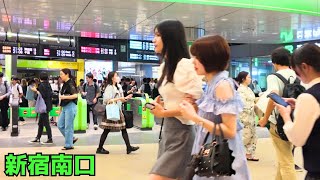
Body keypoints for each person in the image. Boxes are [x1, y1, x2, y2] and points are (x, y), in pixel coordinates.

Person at [179, 35, 250, 180]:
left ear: (209, 58)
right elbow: (214, 116)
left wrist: (194, 117)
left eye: (197, 57)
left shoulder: (222, 85)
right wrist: (195, 109)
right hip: (212, 153)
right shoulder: (212, 83)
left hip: (222, 157)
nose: (193, 61)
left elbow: (229, 131)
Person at [149, 20, 203, 180]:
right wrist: (162, 106)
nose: (154, 40)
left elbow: (192, 108)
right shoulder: (164, 66)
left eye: (158, 35)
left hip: (182, 134)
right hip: (167, 132)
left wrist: (163, 112)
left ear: (170, 38)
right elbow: (178, 100)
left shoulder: (186, 65)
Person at [275, 44, 320, 180]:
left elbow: (297, 138)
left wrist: (286, 116)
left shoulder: (309, 97)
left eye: (296, 71)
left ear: (305, 67)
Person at [258, 47, 298, 179]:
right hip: (294, 120)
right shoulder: (296, 74)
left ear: (274, 62)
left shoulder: (273, 77)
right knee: (284, 156)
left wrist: (264, 118)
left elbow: (273, 94)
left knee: (286, 161)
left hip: (279, 122)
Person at [97, 71, 139, 154]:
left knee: (123, 128)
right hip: (112, 110)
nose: (118, 77)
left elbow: (122, 99)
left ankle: (128, 147)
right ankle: (100, 148)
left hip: (118, 110)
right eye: (116, 76)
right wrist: (119, 99)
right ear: (112, 78)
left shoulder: (118, 86)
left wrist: (126, 98)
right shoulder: (109, 87)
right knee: (107, 130)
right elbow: (106, 101)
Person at [236, 71, 259, 161]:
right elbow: (243, 104)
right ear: (243, 79)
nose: (250, 79)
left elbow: (252, 100)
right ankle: (238, 154)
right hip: (245, 117)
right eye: (248, 77)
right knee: (245, 136)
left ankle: (249, 154)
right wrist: (253, 106)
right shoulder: (240, 90)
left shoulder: (248, 89)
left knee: (252, 136)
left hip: (252, 116)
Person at [28, 72, 53, 144]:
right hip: (47, 105)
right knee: (41, 123)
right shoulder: (48, 85)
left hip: (43, 106)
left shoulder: (41, 85)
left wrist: (36, 91)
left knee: (46, 123)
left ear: (40, 78)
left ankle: (50, 138)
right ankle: (38, 137)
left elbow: (41, 95)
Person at [57, 68, 78, 150]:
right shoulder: (64, 84)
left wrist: (65, 97)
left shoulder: (71, 83)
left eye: (62, 74)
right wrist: (60, 108)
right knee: (60, 125)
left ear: (67, 74)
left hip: (70, 106)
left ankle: (68, 145)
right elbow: (61, 97)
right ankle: (71, 138)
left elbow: (75, 95)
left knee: (68, 126)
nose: (60, 76)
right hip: (65, 107)